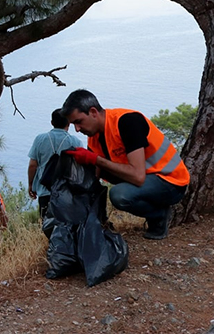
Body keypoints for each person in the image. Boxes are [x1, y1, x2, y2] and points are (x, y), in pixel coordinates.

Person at [60, 89, 190, 240]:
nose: (77, 129)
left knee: (119, 195)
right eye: (73, 124)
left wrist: (95, 159)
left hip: (171, 181)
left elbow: (138, 176)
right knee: (99, 171)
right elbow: (94, 177)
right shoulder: (94, 137)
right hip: (148, 179)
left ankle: (159, 217)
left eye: (79, 122)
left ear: (93, 112)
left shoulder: (127, 122)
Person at [27, 108, 82, 219]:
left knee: (47, 225)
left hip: (45, 191)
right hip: (67, 192)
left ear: (52, 123)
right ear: (68, 123)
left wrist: (31, 185)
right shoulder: (75, 142)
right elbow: (80, 168)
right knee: (67, 226)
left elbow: (33, 165)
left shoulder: (40, 139)